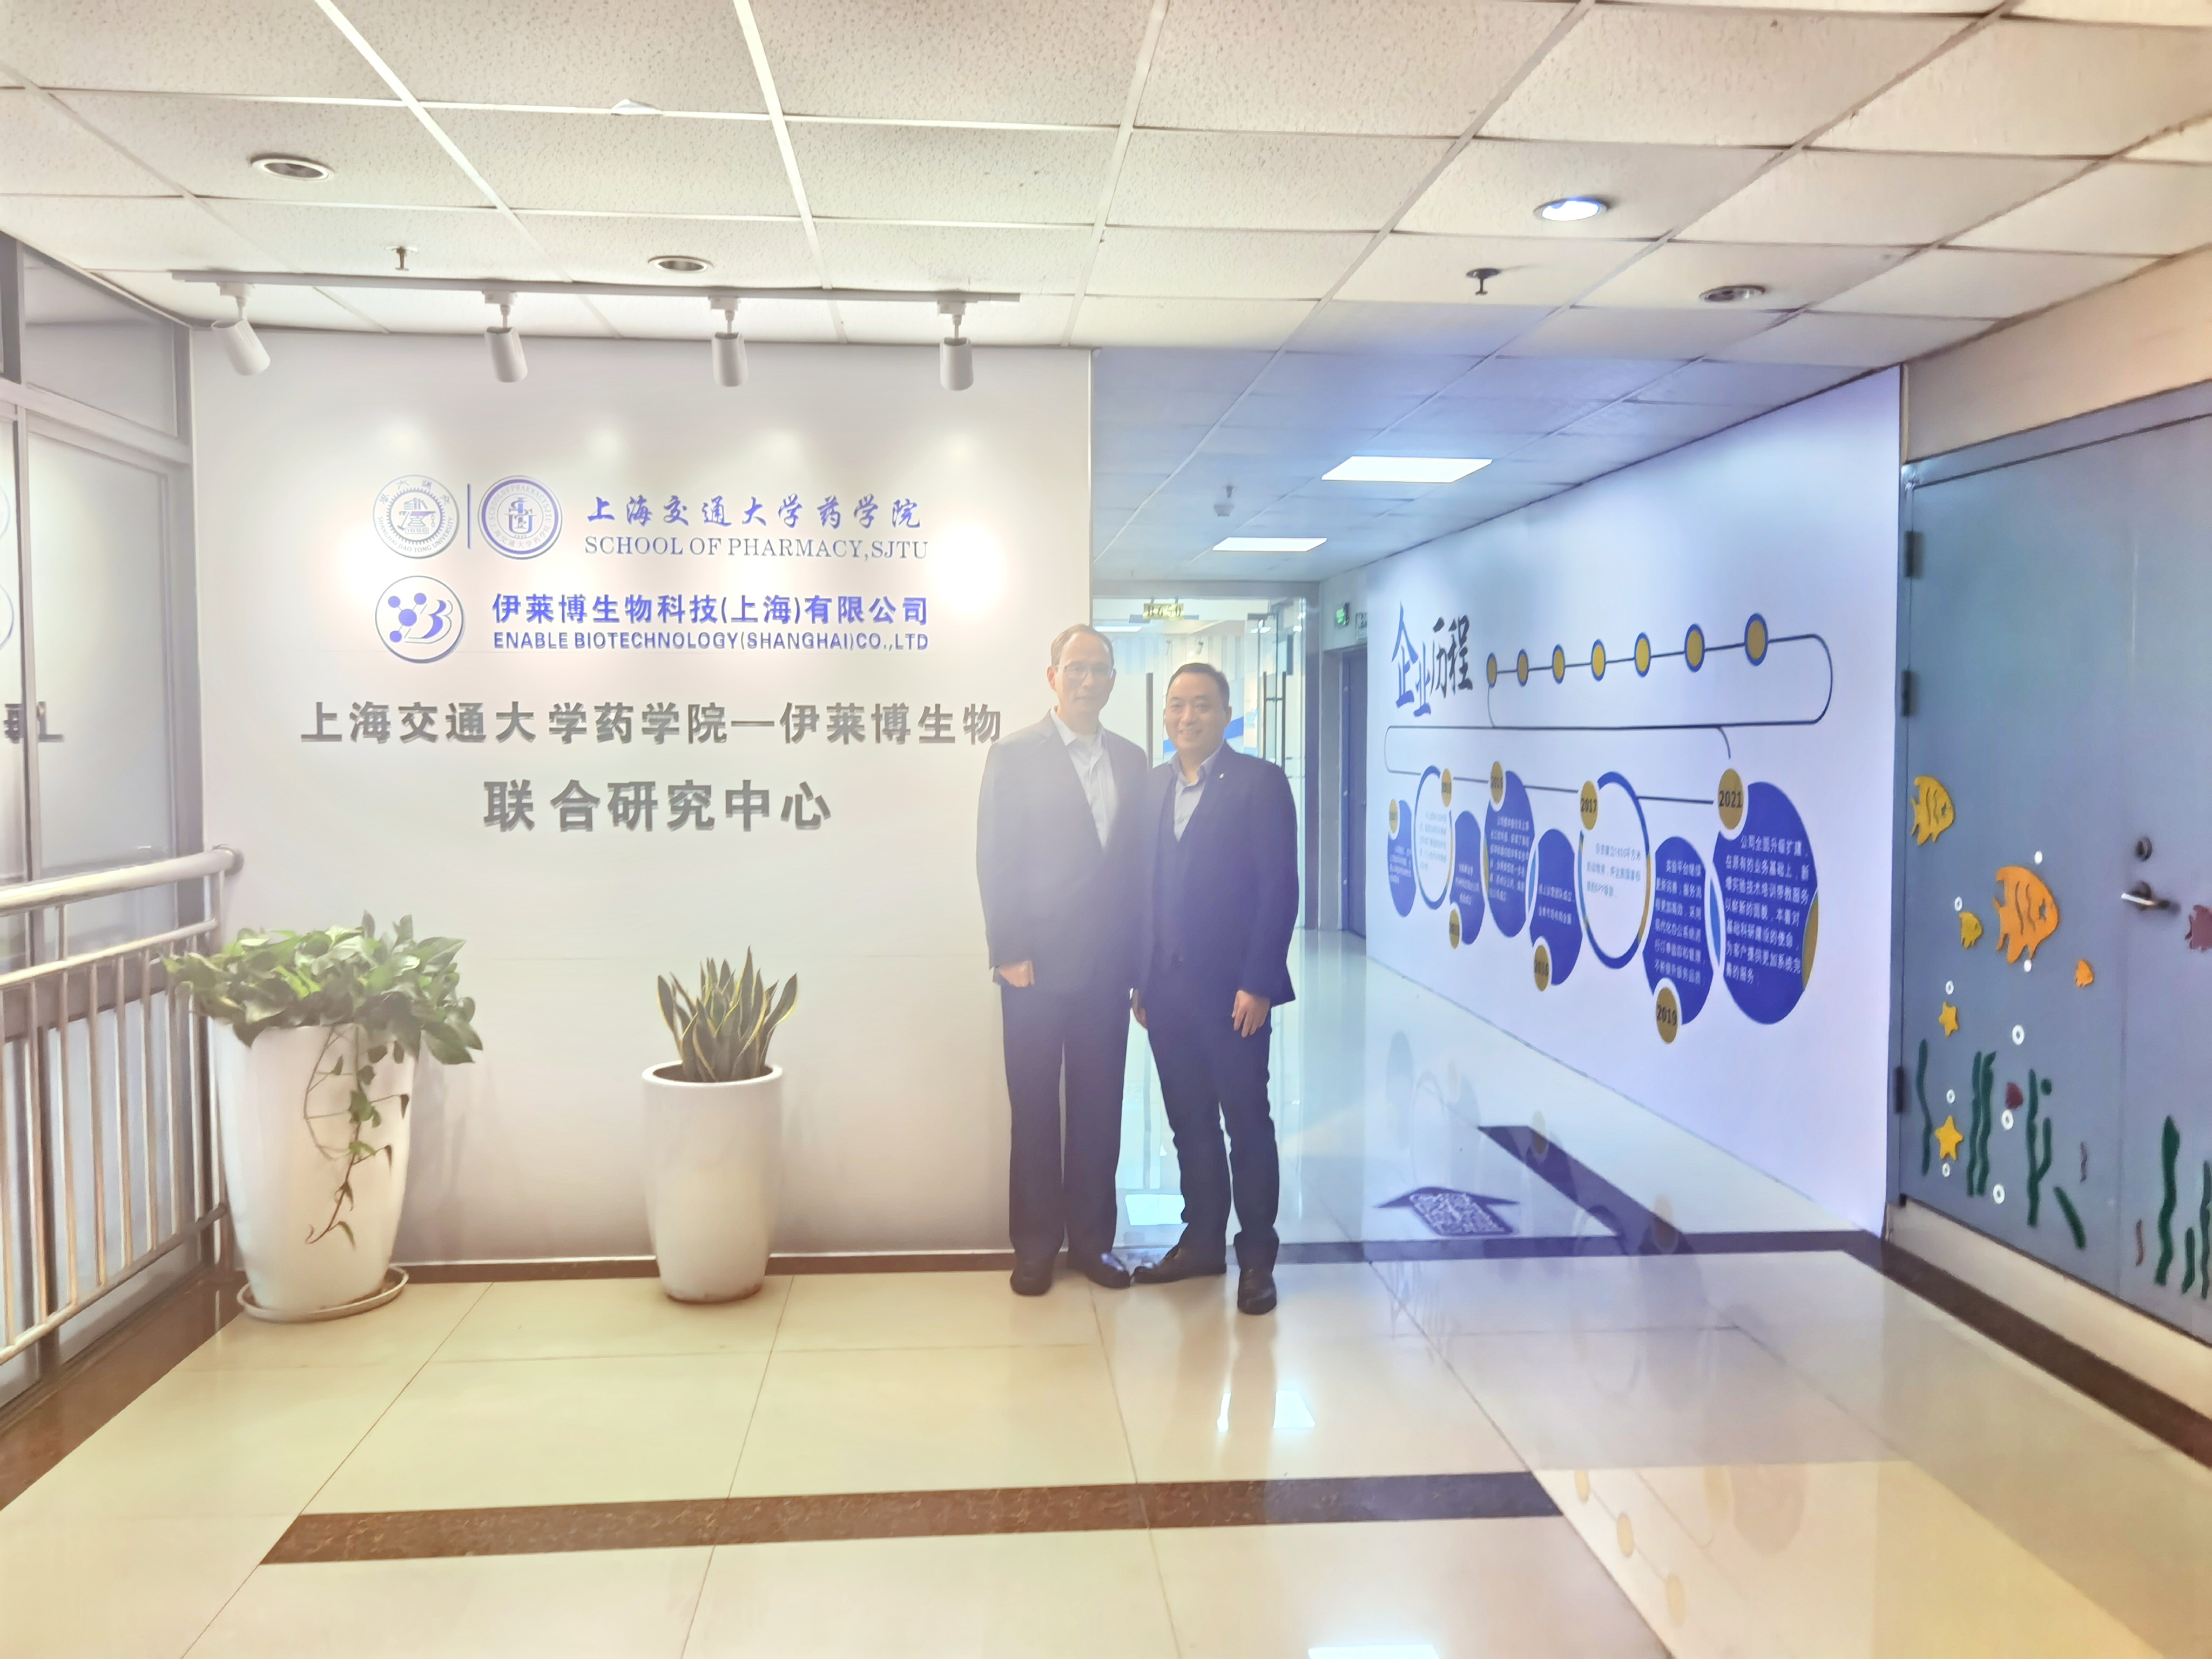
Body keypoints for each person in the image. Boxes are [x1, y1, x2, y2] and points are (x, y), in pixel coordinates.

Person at [975, 625, 1149, 1296]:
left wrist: (1140, 967)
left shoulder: (1131, 760)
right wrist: (1008, 951)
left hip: (1107, 971)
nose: (1087, 679)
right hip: (1034, 971)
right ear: (1053, 676)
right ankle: (1035, 1247)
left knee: (1100, 1109)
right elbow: (996, 856)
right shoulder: (1015, 755)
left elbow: (1138, 871)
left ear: (1112, 680)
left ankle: (1094, 1244)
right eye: (1075, 667)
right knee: (1035, 1110)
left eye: (1099, 668)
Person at [1130, 661, 1299, 1315]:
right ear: (1164, 714)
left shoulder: (1259, 782)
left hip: (1234, 994)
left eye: (1202, 705)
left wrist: (1259, 982)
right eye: (1177, 705)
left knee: (1246, 1123)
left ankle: (1256, 1258)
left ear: (1226, 714)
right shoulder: (1152, 786)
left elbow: (1278, 887)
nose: (1188, 717)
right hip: (1165, 990)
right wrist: (1141, 979)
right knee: (1188, 1122)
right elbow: (1143, 887)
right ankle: (1201, 1242)